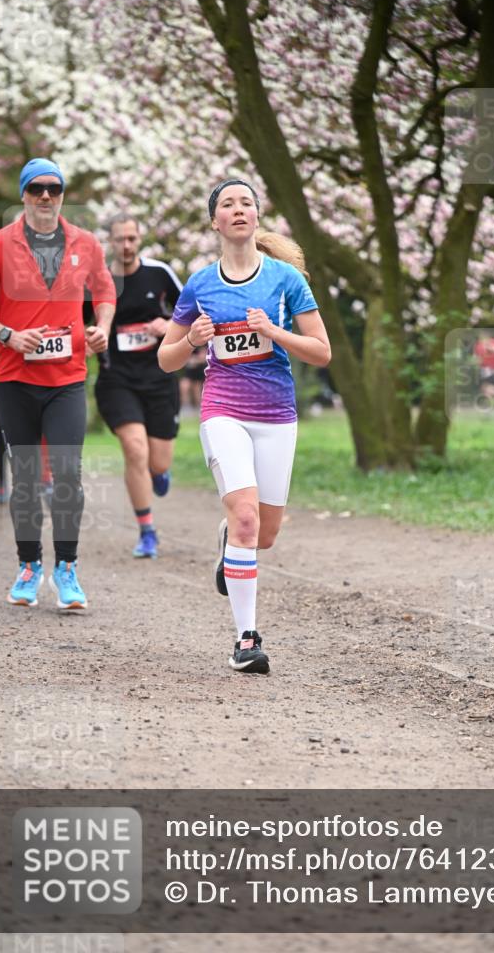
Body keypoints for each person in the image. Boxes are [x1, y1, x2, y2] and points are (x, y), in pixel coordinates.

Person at [158, 178, 331, 674]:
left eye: (247, 203)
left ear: (257, 217)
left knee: (264, 535)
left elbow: (322, 352)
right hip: (223, 411)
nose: (238, 210)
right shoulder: (199, 284)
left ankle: (228, 538)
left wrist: (275, 332)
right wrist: (190, 338)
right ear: (215, 221)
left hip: (276, 414)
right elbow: (166, 360)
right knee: (248, 519)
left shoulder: (285, 279)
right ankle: (246, 639)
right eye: (227, 204)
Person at [0, 157, 116, 609]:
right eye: (37, 189)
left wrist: (102, 327)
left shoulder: (86, 243)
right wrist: (9, 335)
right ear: (24, 195)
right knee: (28, 477)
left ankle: (67, 569)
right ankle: (29, 565)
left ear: (63, 193)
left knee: (68, 473)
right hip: (15, 377)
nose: (46, 196)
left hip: (68, 378)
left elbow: (106, 292)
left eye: (54, 188)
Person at [92, 214, 182, 559]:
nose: (126, 246)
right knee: (134, 449)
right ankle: (147, 531)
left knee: (157, 463)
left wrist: (170, 323)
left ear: (140, 238)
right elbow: (77, 324)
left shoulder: (159, 274)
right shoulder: (97, 280)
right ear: (110, 242)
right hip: (116, 379)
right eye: (119, 240)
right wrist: (92, 336)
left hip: (160, 377)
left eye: (132, 238)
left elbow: (194, 311)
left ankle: (159, 474)